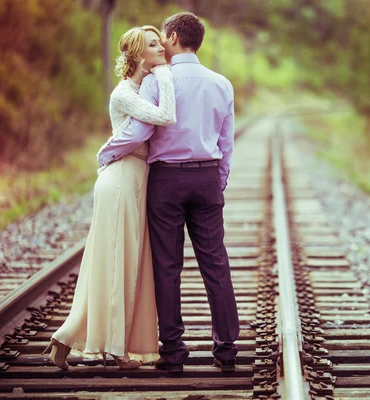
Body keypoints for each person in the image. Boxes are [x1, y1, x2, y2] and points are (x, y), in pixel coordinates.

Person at [97, 12, 239, 374]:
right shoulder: (221, 84)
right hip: (206, 178)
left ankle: (173, 353)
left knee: (167, 267)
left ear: (174, 37)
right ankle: (225, 350)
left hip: (166, 182)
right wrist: (217, 182)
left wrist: (108, 152)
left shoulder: (157, 81)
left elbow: (141, 132)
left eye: (163, 37)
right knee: (215, 264)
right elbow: (226, 142)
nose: (160, 43)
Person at [42, 25, 176, 370]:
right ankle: (117, 350)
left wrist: (159, 75)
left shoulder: (140, 88)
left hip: (135, 177)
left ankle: (66, 336)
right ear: (136, 54)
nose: (161, 48)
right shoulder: (124, 94)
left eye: (160, 44)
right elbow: (165, 116)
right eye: (152, 45)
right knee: (118, 261)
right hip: (121, 178)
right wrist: (164, 75)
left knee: (117, 261)